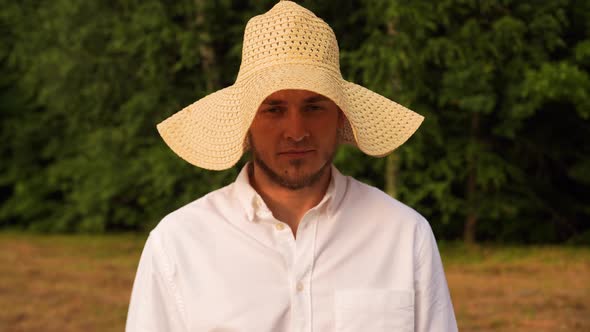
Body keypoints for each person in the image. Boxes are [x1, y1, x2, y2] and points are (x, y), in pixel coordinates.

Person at [126, 1, 458, 331]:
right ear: (246, 120)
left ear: (340, 115)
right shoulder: (179, 244)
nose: (297, 132)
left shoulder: (403, 234)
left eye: (314, 107)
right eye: (274, 109)